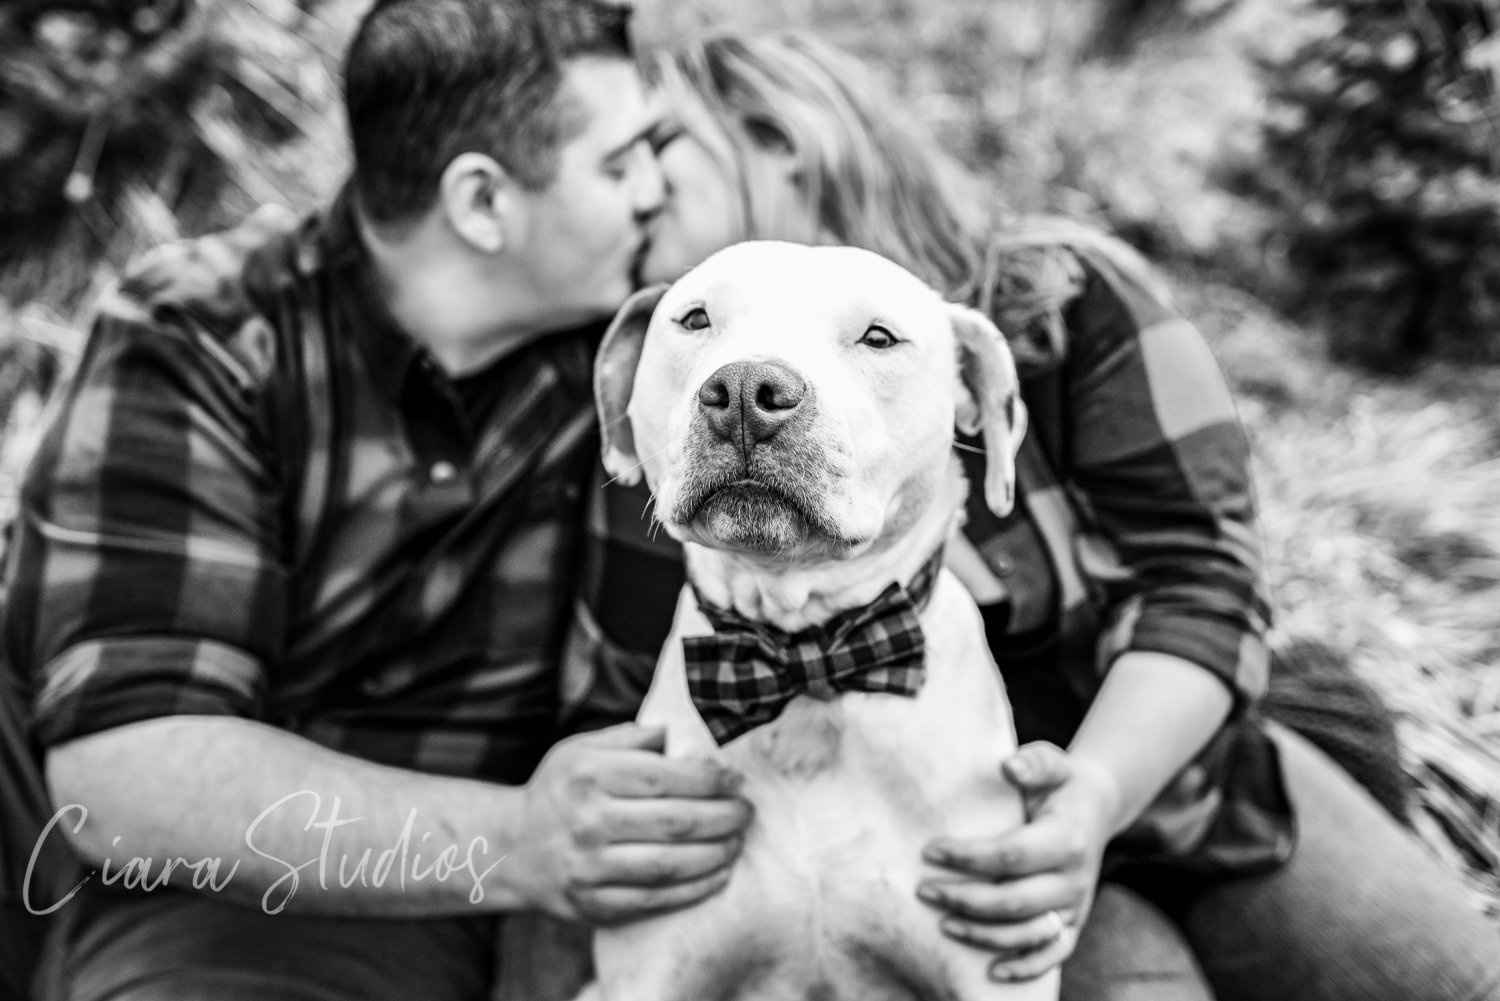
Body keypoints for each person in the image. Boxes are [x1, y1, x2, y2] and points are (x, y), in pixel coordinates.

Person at [563, 29, 1500, 1001]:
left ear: (778, 140)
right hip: (958, 850)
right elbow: (627, 682)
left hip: (1191, 787)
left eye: (660, 154)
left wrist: (1092, 797)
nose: (633, 196)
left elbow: (1207, 583)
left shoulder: (1069, 295)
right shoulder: (675, 391)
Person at [0, 2, 756, 999]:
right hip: (232, 897)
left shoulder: (640, 353)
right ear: (483, 203)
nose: (655, 191)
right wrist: (518, 840)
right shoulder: (210, 336)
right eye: (618, 166)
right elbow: (127, 781)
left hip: (530, 902)